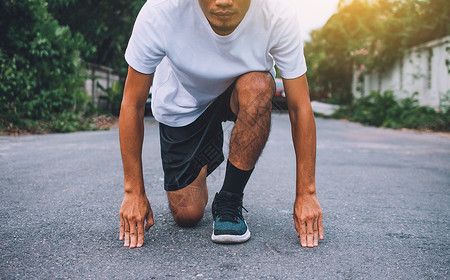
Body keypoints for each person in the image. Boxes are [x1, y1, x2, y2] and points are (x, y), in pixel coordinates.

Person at [118, 0, 324, 249]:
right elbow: (132, 103)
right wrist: (133, 193)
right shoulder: (161, 11)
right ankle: (206, 150)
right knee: (187, 214)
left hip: (242, 90)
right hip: (185, 102)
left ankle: (230, 198)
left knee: (259, 86)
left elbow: (299, 106)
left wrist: (307, 194)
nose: (224, 1)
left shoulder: (277, 13)